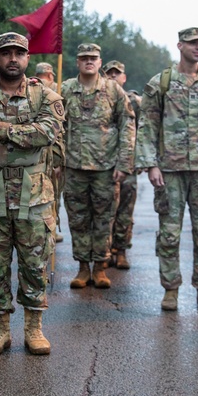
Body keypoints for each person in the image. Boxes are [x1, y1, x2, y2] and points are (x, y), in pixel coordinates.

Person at [135, 27, 198, 312]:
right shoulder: (161, 83)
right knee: (169, 232)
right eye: (193, 43)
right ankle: (170, 289)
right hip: (170, 170)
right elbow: (148, 125)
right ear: (180, 45)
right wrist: (151, 163)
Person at [0, 32, 65, 355]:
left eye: (19, 53)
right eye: (5, 53)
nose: (12, 59)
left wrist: (1, 129)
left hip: (34, 194)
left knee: (33, 263)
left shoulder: (46, 97)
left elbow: (46, 133)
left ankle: (33, 327)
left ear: (28, 58)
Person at [61, 44, 135, 290]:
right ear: (77, 62)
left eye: (93, 58)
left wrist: (124, 162)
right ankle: (83, 267)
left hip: (105, 167)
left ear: (100, 61)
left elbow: (127, 126)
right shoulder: (66, 90)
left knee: (104, 218)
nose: (89, 62)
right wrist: (56, 159)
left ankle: (101, 267)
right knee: (78, 219)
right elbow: (56, 125)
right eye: (84, 58)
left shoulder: (113, 90)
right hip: (74, 165)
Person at [104, 59, 142, 269]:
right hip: (105, 162)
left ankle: (122, 249)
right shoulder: (99, 100)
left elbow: (144, 129)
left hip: (128, 163)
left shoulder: (134, 101)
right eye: (109, 73)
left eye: (116, 73)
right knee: (106, 209)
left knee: (125, 209)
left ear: (124, 78)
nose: (112, 77)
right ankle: (106, 249)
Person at [34, 61, 65, 243]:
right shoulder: (56, 89)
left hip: (34, 154)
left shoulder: (32, 87)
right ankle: (51, 227)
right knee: (53, 193)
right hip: (51, 152)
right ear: (51, 75)